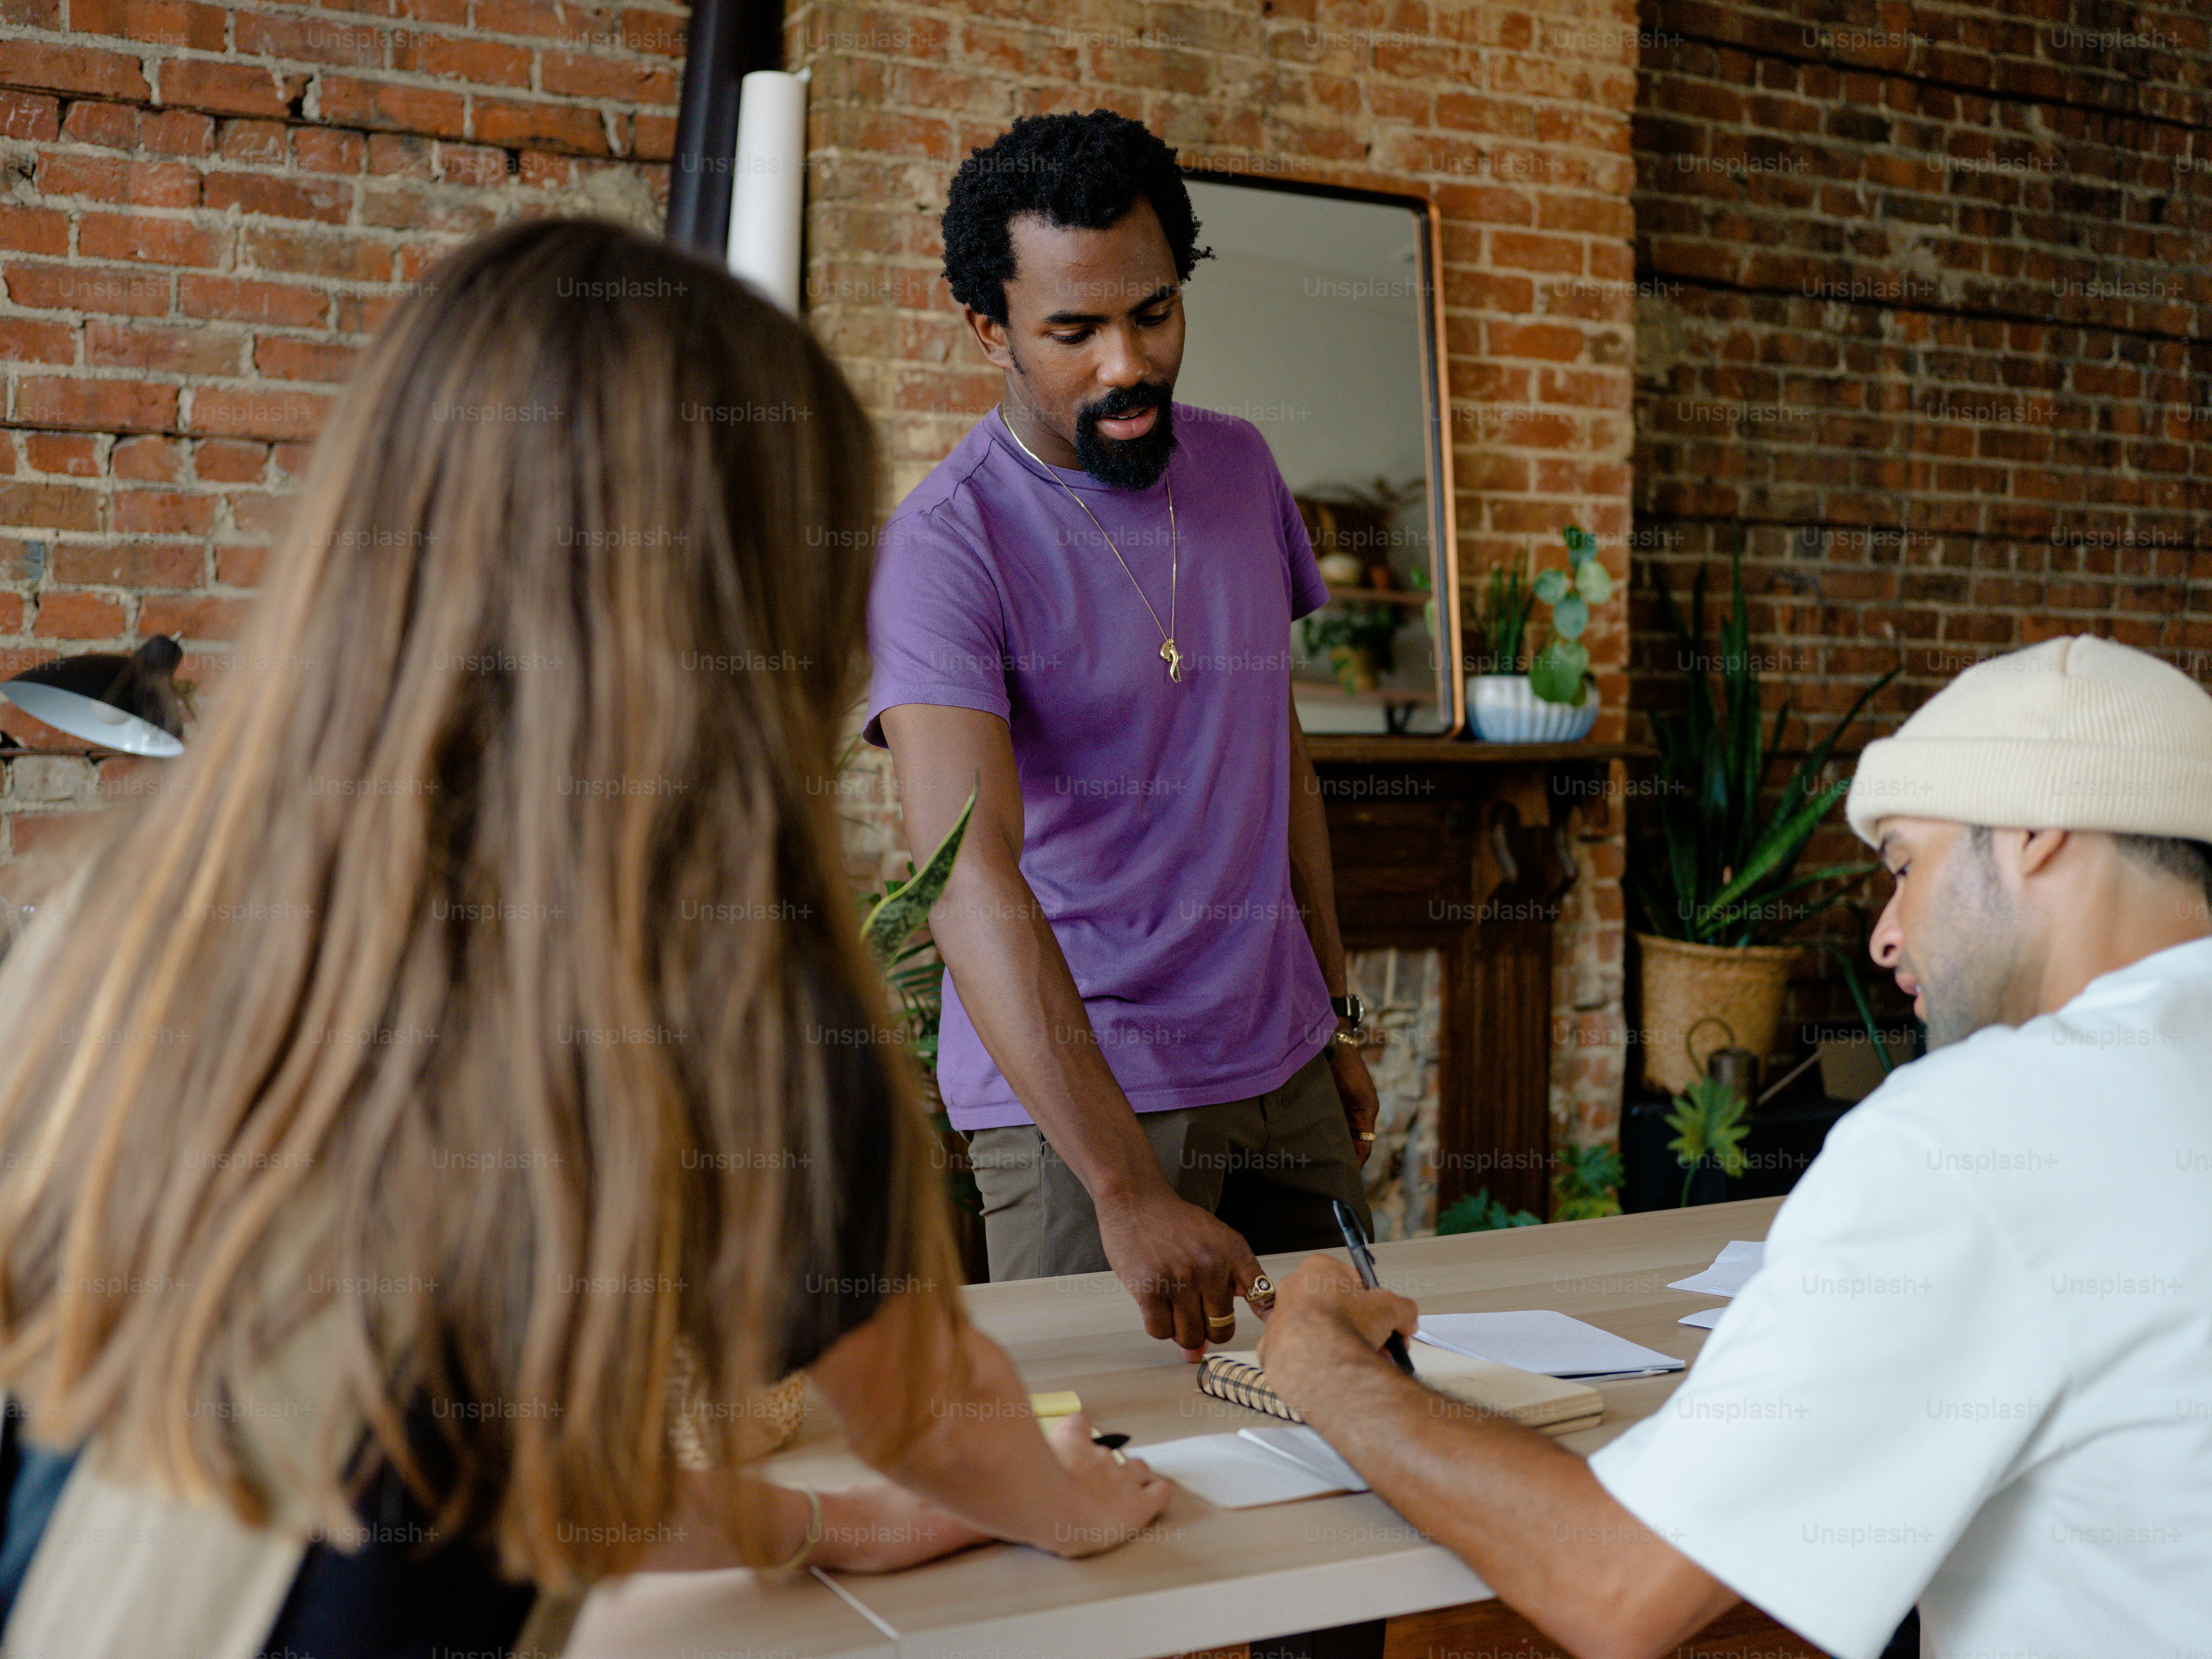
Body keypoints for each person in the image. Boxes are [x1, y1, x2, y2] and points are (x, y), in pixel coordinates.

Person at [0, 217, 1166, 1659]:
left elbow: (456, 1452)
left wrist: (826, 1528)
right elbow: (930, 1412)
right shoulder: (722, 979)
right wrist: (1074, 1509)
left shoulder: (134, 917)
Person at [1254, 634, 2212, 1659]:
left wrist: (1320, 1363)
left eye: (1903, 865)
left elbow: (1613, 1581)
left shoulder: (1985, 1129)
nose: (1885, 936)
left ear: (2030, 832)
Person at [865, 108, 1379, 1360]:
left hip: (1285, 1067)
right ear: (990, 329)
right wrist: (1121, 1185)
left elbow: (1279, 754)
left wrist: (1339, 1016)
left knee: (1364, 1416)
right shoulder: (945, 546)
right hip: (1081, 1114)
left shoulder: (1245, 467)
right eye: (1073, 331)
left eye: (1151, 314)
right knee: (1114, 1482)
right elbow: (965, 878)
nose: (1126, 365)